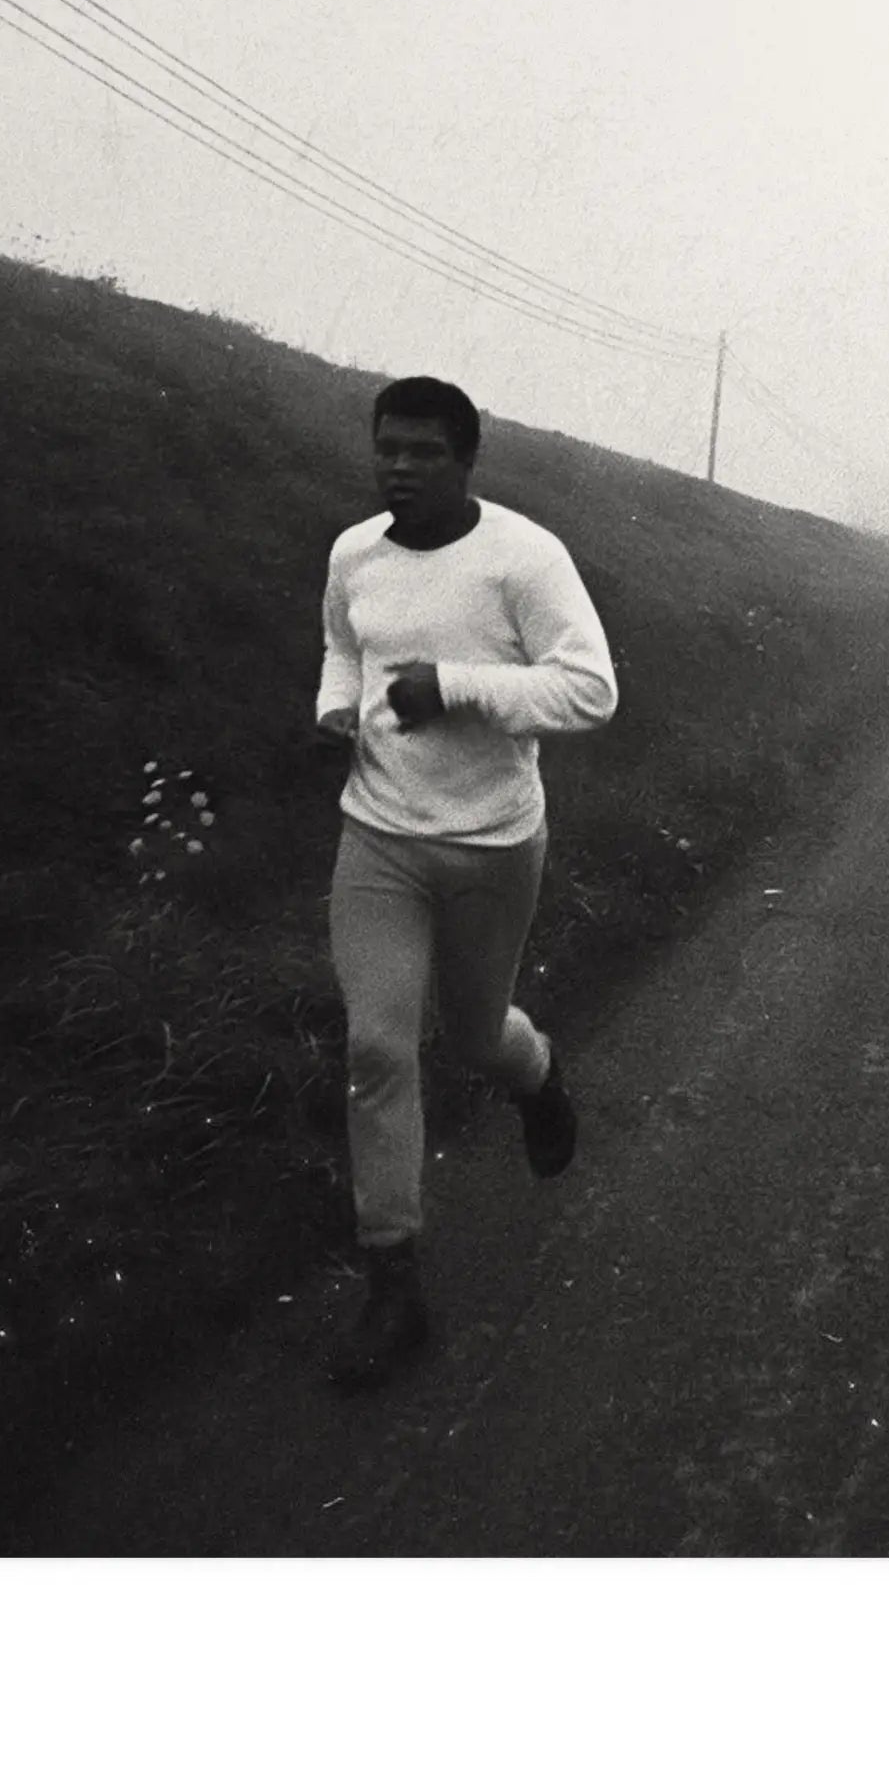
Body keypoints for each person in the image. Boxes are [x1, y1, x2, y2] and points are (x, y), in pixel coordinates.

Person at [313, 376, 618, 1389]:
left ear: (466, 459)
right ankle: (392, 1282)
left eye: (422, 452)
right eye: (386, 448)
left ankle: (537, 1077)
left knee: (476, 1038)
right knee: (376, 1047)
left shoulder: (525, 559)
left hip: (492, 843)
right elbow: (343, 647)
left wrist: (453, 686)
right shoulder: (354, 552)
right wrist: (337, 706)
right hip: (379, 839)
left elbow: (589, 689)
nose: (398, 466)